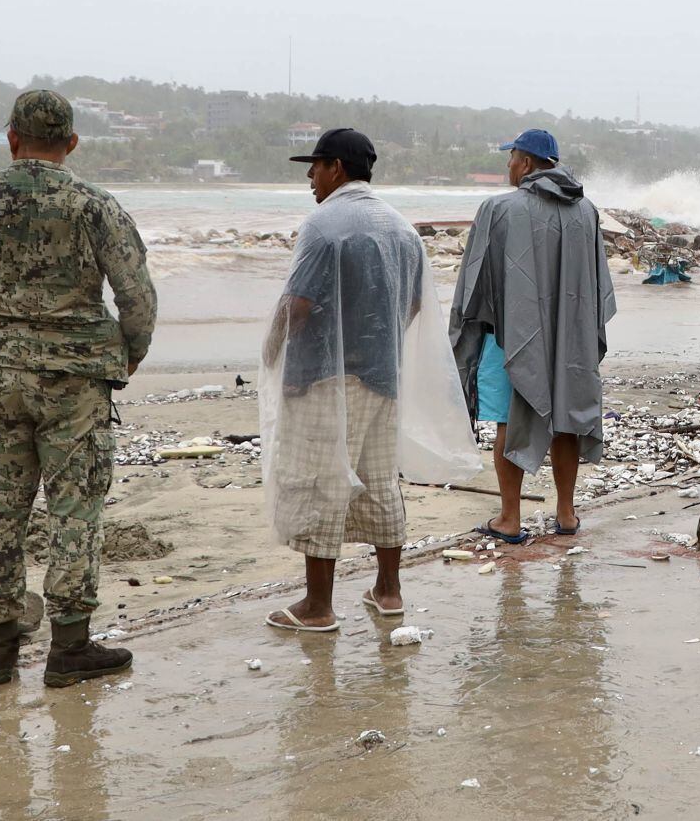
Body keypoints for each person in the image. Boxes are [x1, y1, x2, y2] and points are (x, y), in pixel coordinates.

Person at [0, 91, 155, 687]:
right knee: (75, 509)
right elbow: (136, 294)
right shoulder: (96, 206)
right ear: (71, 143)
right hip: (76, 380)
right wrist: (129, 355)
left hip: (0, 377)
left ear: (11, 138)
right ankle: (68, 648)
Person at [260, 128, 478, 632]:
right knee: (379, 481)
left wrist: (271, 353)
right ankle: (388, 589)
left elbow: (297, 303)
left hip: (323, 379)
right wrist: (376, 342)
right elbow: (417, 302)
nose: (310, 178)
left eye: (314, 167)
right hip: (382, 379)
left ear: (336, 168)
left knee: (320, 482)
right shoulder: (401, 229)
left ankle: (317, 607)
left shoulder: (323, 225)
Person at [451, 129, 616, 540]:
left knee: (509, 417)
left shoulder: (498, 209)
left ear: (526, 163)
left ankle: (509, 518)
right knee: (565, 417)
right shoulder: (587, 211)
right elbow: (598, 288)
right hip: (569, 339)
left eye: (511, 158)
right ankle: (566, 514)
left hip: (511, 336)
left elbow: (475, 283)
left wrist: (465, 332)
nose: (508, 165)